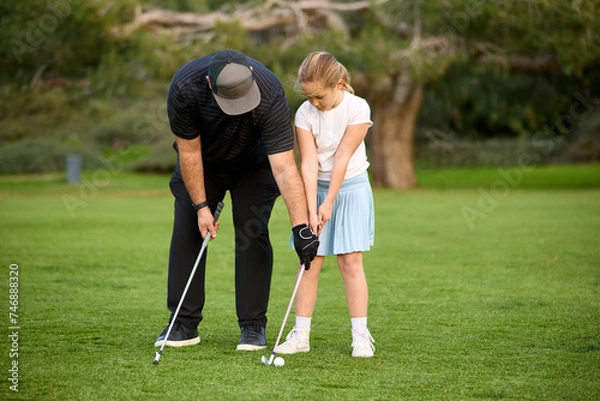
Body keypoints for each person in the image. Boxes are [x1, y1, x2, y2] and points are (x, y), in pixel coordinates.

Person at [154, 49, 319, 351]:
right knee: (190, 230)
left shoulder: (269, 93)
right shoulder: (185, 86)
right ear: (209, 82)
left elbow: (283, 166)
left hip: (255, 167)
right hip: (203, 164)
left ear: (252, 77)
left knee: (252, 231)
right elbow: (189, 153)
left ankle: (253, 326)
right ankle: (183, 324)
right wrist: (201, 208)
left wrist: (301, 227)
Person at [275, 51, 376, 357]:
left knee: (350, 260)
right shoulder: (304, 114)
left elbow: (342, 157)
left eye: (319, 96)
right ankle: (301, 336)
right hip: (313, 188)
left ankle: (360, 335)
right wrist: (309, 210)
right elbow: (307, 164)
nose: (314, 103)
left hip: (351, 188)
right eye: (308, 96)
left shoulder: (358, 108)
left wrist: (328, 202)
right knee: (309, 260)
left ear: (340, 84)